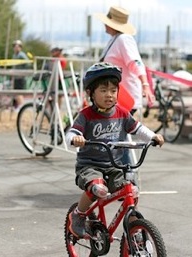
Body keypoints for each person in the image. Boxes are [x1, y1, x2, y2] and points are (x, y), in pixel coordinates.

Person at [65, 62, 164, 239]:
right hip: (89, 166)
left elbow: (137, 129)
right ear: (91, 93)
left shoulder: (122, 113)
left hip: (114, 165)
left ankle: (134, 227)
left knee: (131, 190)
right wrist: (75, 139)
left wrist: (152, 137)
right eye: (103, 90)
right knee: (98, 189)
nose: (109, 95)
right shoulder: (86, 115)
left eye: (113, 90)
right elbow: (71, 133)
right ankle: (78, 215)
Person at [94, 6, 155, 165]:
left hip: (125, 97)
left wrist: (145, 84)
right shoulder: (115, 40)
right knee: (115, 136)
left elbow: (135, 62)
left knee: (117, 137)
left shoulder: (123, 39)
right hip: (116, 96)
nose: (104, 24)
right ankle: (123, 176)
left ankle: (128, 177)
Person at [11, 39, 29, 111]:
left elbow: (27, 63)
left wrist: (22, 70)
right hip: (16, 76)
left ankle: (21, 107)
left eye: (17, 46)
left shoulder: (22, 55)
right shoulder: (14, 55)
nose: (15, 48)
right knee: (16, 92)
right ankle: (18, 106)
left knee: (19, 92)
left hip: (20, 76)